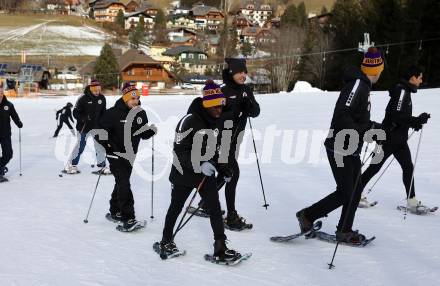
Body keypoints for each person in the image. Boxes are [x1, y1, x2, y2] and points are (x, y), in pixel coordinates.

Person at [296, 47, 384, 244]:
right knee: (346, 191)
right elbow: (342, 115)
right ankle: (307, 216)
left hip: (350, 145)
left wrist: (375, 129)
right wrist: (363, 131)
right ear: (378, 68)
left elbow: (356, 119)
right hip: (339, 146)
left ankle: (344, 229)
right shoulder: (358, 85)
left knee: (355, 188)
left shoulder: (364, 86)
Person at [159, 80, 240, 262]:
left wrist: (223, 168)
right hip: (183, 173)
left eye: (221, 106)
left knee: (214, 207)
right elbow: (179, 152)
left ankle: (220, 246)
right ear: (206, 105)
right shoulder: (188, 121)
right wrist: (200, 164)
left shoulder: (216, 121)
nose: (219, 111)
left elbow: (216, 149)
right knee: (176, 207)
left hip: (205, 173)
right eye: (215, 107)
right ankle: (166, 240)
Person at [195, 58, 260, 231]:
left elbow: (256, 112)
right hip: (220, 139)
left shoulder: (246, 90)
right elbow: (210, 114)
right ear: (231, 73)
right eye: (239, 72)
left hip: (235, 139)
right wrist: (232, 111)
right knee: (232, 172)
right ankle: (231, 216)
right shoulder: (221, 90)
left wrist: (249, 105)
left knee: (225, 172)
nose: (243, 75)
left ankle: (207, 202)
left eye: (245, 72)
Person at [360, 66, 430, 212]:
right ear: (412, 78)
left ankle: (412, 201)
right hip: (388, 138)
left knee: (408, 167)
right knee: (374, 168)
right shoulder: (402, 91)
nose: (421, 80)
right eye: (420, 77)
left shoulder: (405, 91)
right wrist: (416, 120)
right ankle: (354, 193)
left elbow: (400, 117)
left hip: (399, 140)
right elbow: (397, 115)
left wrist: (413, 124)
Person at [99, 83, 156, 232]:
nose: (135, 101)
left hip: (130, 154)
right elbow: (100, 133)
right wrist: (109, 146)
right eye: (132, 99)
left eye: (137, 98)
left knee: (121, 182)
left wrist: (149, 132)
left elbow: (142, 133)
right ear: (125, 98)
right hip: (115, 153)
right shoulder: (112, 113)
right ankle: (128, 218)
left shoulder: (140, 114)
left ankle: (115, 210)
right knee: (124, 183)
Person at [64, 79, 108, 174]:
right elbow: (75, 112)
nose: (97, 92)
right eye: (95, 90)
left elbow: (103, 112)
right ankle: (72, 165)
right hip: (84, 126)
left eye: (99, 90)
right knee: (80, 146)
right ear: (91, 89)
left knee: (100, 146)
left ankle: (102, 166)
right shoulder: (83, 98)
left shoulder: (102, 98)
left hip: (96, 127)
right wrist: (83, 118)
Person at [0, 80, 23, 182]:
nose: (0, 94)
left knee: (8, 154)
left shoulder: (9, 105)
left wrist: (18, 123)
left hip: (5, 134)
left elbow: (14, 116)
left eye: (1, 92)